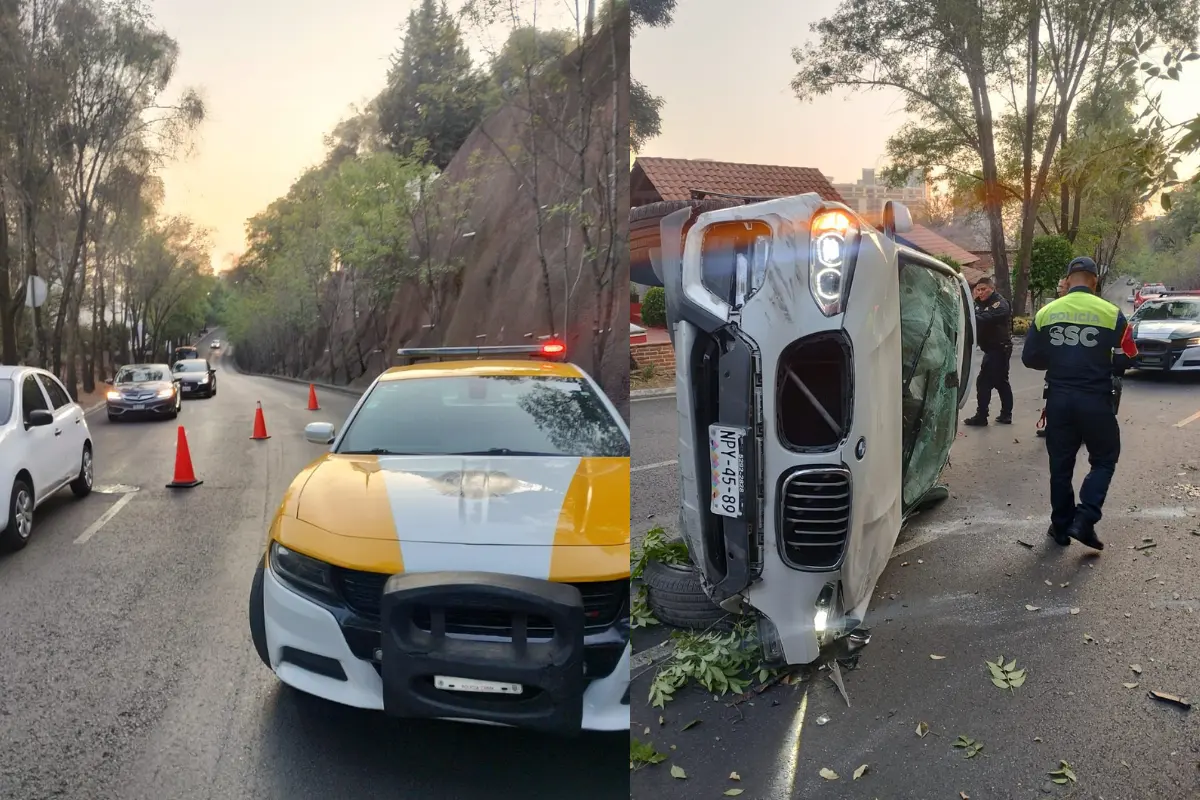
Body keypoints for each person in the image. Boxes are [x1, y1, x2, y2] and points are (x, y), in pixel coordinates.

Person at [1021, 256, 1136, 550]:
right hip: (1096, 400)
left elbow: (1030, 358)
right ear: (1095, 281)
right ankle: (1084, 518)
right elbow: (1128, 358)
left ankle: (1060, 528)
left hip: (1059, 400)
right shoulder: (1113, 314)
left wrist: (1060, 359)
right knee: (1104, 459)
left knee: (1060, 466)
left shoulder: (1047, 312)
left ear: (1069, 279)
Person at [963, 276, 1013, 426]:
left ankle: (982, 416)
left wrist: (971, 316)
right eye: (978, 290)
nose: (980, 292)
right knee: (1001, 382)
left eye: (984, 289)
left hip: (999, 349)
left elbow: (986, 317)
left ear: (992, 289)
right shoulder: (978, 304)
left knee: (984, 382)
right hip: (992, 349)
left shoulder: (999, 303)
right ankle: (1006, 415)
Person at [1034, 277, 1071, 439]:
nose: (1058, 289)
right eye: (1058, 285)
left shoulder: (1071, 309)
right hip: (1056, 363)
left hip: (1070, 362)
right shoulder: (1054, 308)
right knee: (1051, 395)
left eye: (1061, 286)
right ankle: (1051, 426)